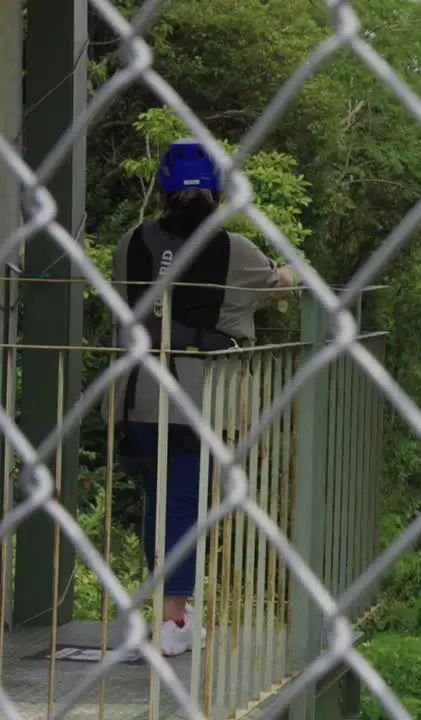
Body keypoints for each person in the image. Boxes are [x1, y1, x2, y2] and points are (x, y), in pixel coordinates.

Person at [105, 138, 298, 657]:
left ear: (165, 191)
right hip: (201, 396)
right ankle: (173, 620)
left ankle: (169, 612)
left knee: (157, 499)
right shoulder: (234, 250)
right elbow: (278, 284)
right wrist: (286, 270)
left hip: (140, 392)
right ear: (214, 189)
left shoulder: (132, 243)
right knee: (186, 502)